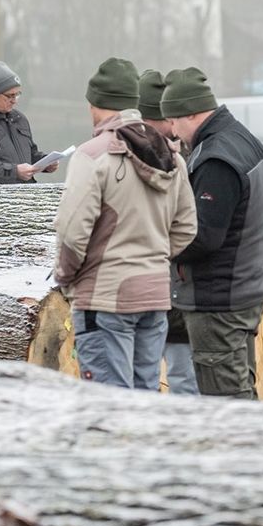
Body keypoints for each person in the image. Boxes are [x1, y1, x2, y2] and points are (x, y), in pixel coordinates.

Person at [53, 57, 197, 391]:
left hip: (104, 299)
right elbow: (187, 226)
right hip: (155, 296)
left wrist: (66, 277)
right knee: (143, 398)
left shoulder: (91, 157)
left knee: (110, 405)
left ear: (95, 105)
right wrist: (154, 255)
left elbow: (72, 232)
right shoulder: (171, 157)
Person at [162, 65, 263, 397]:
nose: (171, 130)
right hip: (244, 288)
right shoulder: (242, 140)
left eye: (173, 120)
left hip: (219, 301)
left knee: (225, 403)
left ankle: (241, 449)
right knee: (241, 391)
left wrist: (156, 243)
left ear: (192, 113)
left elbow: (203, 236)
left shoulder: (215, 159)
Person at [138, 67, 198, 394]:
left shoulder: (179, 153)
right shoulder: (172, 154)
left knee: (177, 374)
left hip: (172, 281)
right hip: (163, 280)